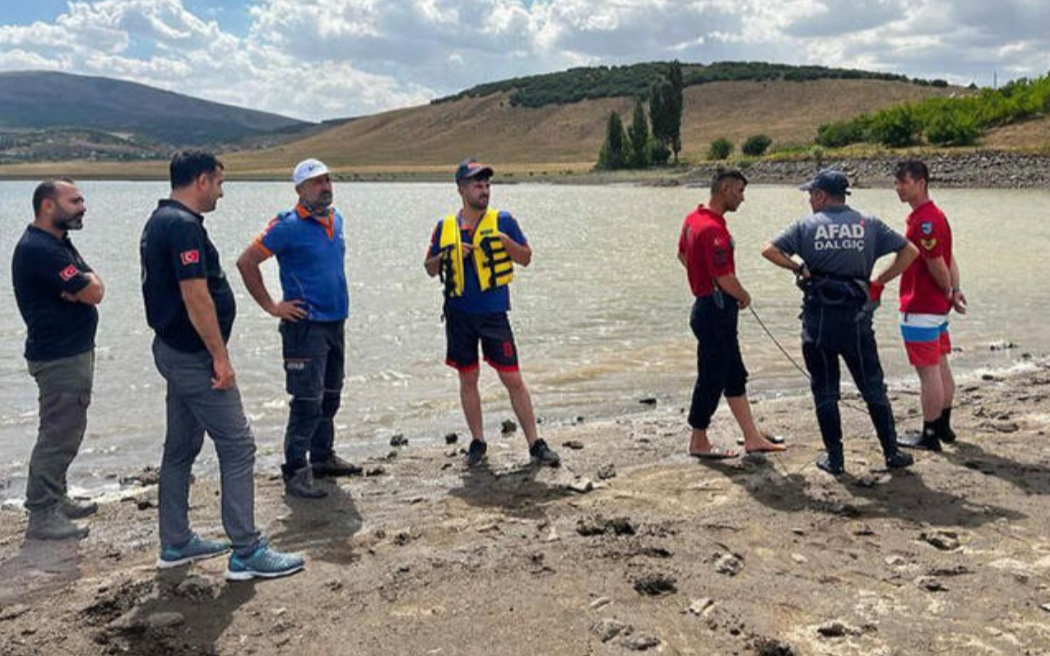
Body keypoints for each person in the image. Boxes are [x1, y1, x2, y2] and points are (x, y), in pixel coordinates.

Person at [141, 150, 303, 580]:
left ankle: (175, 542)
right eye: (218, 182)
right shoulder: (180, 227)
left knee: (180, 447)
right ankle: (246, 550)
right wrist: (220, 357)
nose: (221, 192)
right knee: (238, 446)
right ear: (200, 181)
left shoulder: (162, 221)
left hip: (175, 351)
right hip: (194, 358)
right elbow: (196, 296)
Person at [761, 168, 918, 475]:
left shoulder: (806, 226)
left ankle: (835, 459)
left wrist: (798, 267)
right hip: (856, 321)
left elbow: (768, 249)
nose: (809, 201)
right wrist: (879, 280)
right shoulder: (868, 223)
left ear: (821, 195)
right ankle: (891, 452)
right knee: (872, 386)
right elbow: (909, 251)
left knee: (825, 389)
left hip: (818, 321)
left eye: (810, 195)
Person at [423, 158, 559, 468]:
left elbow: (525, 258)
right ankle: (478, 441)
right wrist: (448, 254)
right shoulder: (445, 228)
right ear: (461, 189)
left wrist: (506, 243)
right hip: (459, 314)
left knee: (513, 378)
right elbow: (430, 269)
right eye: (477, 185)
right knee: (468, 377)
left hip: (494, 314)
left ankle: (535, 442)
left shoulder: (504, 221)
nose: (484, 191)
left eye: (487, 185)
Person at [237, 158, 361, 500]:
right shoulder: (286, 225)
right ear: (300, 189)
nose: (325, 187)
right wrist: (272, 306)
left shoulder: (337, 219)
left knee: (331, 396)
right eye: (316, 182)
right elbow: (246, 262)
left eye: (327, 180)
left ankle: (322, 457)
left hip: (336, 321)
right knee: (307, 400)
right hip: (304, 327)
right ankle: (295, 470)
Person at [12, 178, 103, 540]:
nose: (83, 206)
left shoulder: (58, 242)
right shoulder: (41, 249)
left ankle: (56, 496)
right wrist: (85, 288)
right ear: (48, 205)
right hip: (58, 355)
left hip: (70, 351)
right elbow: (93, 292)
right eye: (75, 200)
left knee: (68, 429)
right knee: (58, 433)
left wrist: (84, 286)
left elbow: (90, 285)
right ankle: (42, 513)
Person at [677, 169, 787, 460]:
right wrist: (744, 295)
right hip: (715, 310)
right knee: (712, 377)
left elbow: (682, 256)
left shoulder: (692, 219)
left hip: (707, 307)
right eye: (739, 191)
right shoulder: (714, 230)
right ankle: (698, 440)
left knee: (734, 373)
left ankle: (752, 437)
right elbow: (724, 276)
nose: (742, 198)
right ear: (724, 189)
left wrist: (701, 279)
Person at [893, 159, 967, 451]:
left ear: (921, 183)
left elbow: (938, 263)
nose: (898, 188)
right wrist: (955, 290)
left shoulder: (925, 221)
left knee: (928, 373)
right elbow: (949, 256)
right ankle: (944, 426)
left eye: (904, 182)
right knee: (940, 365)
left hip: (921, 306)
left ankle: (930, 433)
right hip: (936, 308)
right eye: (897, 182)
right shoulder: (936, 215)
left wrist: (949, 289)